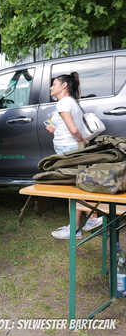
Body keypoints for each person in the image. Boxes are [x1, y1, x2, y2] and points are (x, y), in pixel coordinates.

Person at [45, 72, 102, 239]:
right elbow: (69, 128)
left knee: (72, 189)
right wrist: (55, 130)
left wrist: (81, 139)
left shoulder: (63, 103)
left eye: (54, 84)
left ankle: (75, 229)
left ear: (64, 86)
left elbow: (74, 130)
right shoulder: (72, 103)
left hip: (69, 149)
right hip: (73, 147)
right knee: (80, 184)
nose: (51, 87)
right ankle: (91, 218)